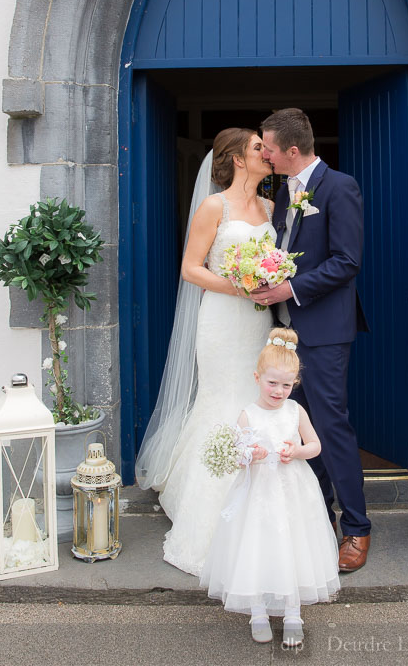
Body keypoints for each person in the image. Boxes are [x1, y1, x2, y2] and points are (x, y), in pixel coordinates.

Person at [135, 128, 275, 576]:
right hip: (220, 320)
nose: (266, 153)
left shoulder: (270, 207)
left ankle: (259, 512)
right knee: (222, 401)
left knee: (254, 403)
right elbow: (191, 269)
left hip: (258, 320)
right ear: (236, 159)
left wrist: (267, 284)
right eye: (258, 148)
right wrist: (239, 286)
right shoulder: (214, 206)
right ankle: (207, 517)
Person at [250, 108, 371, 573]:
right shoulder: (282, 193)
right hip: (284, 332)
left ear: (293, 151)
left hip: (323, 331)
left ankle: (356, 529)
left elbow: (346, 261)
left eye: (270, 148)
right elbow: (282, 252)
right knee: (295, 428)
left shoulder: (340, 187)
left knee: (330, 428)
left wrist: (290, 288)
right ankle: (319, 519)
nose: (266, 154)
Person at [200, 328, 339, 649]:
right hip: (259, 493)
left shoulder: (296, 411)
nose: (278, 391)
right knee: (258, 546)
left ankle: (293, 614)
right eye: (272, 382)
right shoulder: (248, 415)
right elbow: (235, 455)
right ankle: (258, 612)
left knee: (293, 545)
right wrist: (251, 454)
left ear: (295, 384)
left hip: (294, 490)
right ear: (256, 377)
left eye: (286, 385)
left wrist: (297, 451)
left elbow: (315, 445)